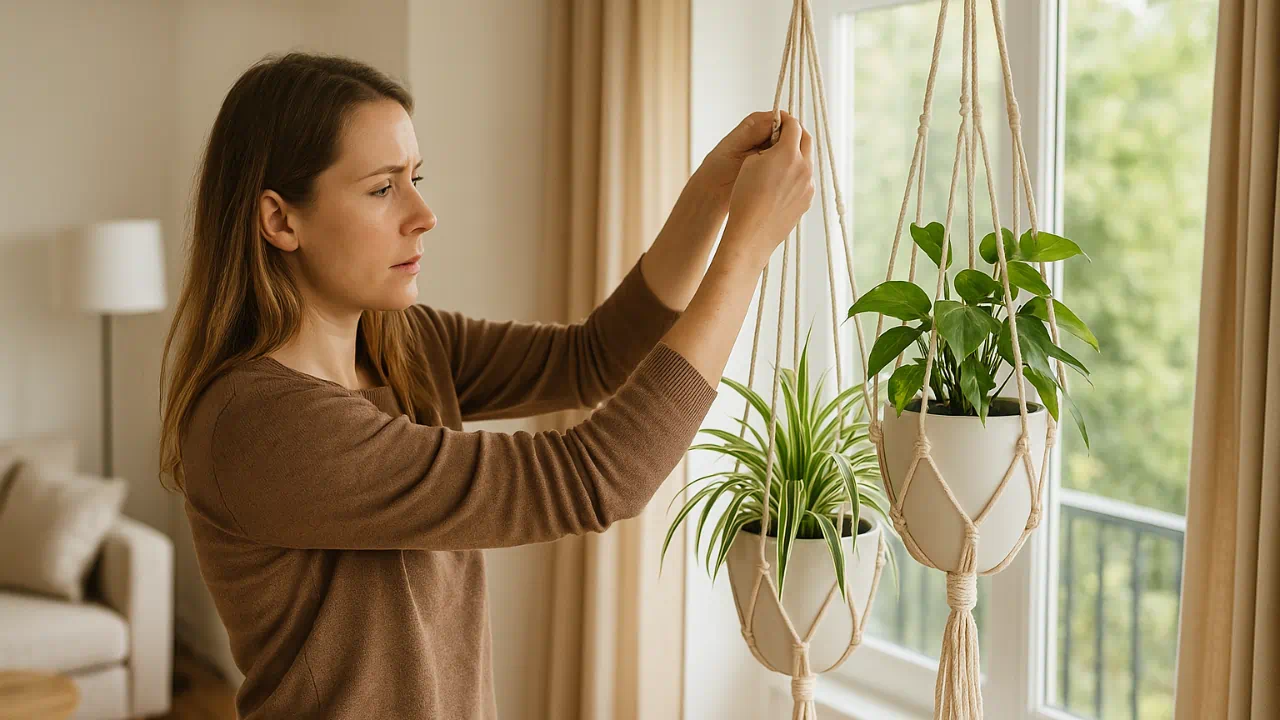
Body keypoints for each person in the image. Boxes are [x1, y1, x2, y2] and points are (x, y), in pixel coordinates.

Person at [159, 52, 813, 720]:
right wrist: (746, 253)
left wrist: (713, 195)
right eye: (383, 189)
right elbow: (598, 478)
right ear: (280, 221)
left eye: (415, 178)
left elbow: (594, 358)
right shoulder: (263, 425)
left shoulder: (403, 346)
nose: (423, 214)